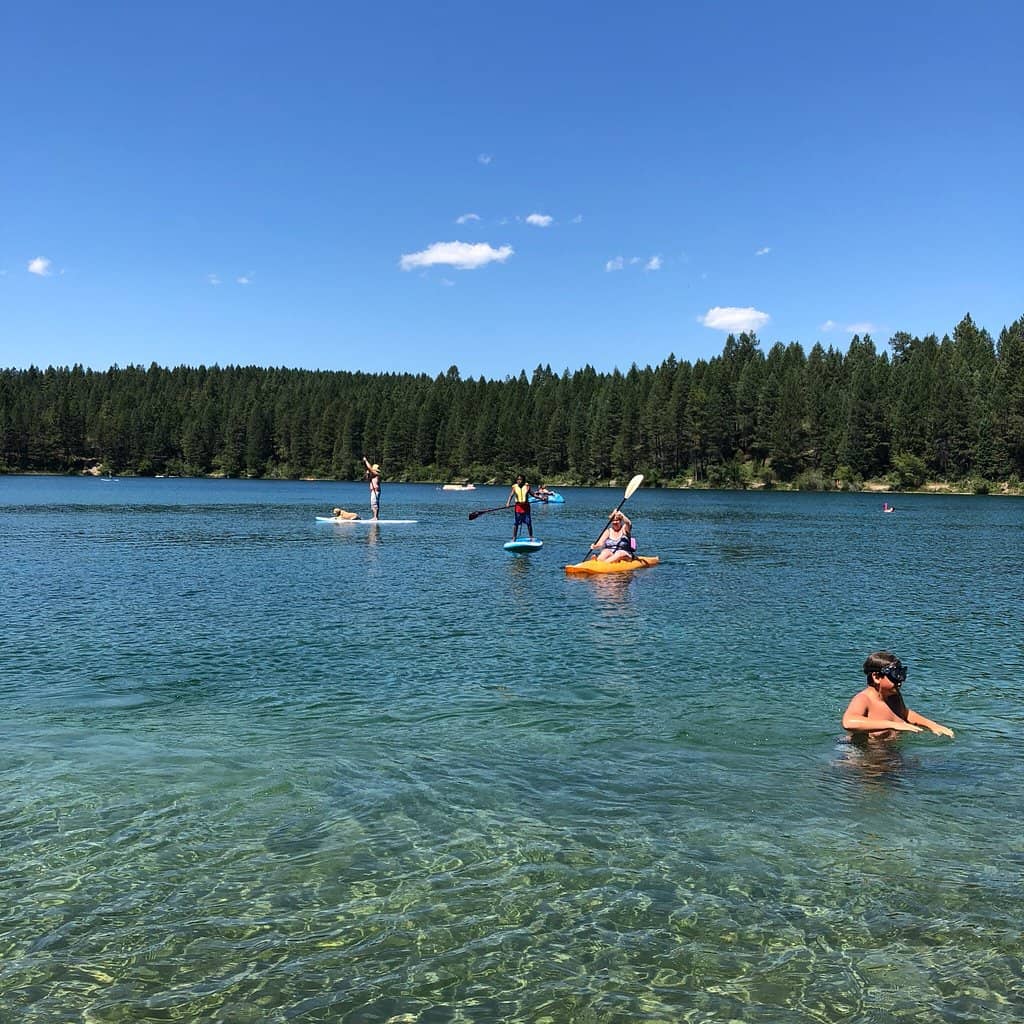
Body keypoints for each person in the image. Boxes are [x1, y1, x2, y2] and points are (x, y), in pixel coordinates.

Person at [841, 651, 954, 741]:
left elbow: (905, 713)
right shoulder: (864, 699)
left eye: (901, 675)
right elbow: (848, 722)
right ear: (876, 677)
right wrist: (892, 725)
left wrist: (932, 725)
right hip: (864, 758)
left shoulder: (894, 695)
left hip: (890, 755)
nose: (899, 682)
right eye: (894, 676)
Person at [505, 473, 537, 540]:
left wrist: (541, 498)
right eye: (518, 479)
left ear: (523, 480)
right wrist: (508, 503)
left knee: (528, 522)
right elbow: (511, 495)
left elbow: (533, 494)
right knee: (516, 523)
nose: (519, 481)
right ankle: (514, 537)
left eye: (521, 479)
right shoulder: (515, 487)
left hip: (526, 506)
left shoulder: (527, 486)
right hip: (518, 507)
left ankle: (531, 537)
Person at [362, 456, 381, 521]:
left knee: (374, 504)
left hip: (376, 491)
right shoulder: (372, 476)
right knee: (374, 504)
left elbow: (370, 468)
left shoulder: (377, 474)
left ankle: (375, 517)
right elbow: (367, 479)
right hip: (373, 491)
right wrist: (367, 474)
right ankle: (375, 517)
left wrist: (366, 460)